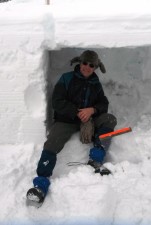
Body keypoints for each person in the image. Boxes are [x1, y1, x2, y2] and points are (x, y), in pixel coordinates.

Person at [26, 50, 117, 203]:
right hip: (66, 120)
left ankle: (96, 160)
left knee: (109, 120)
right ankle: (40, 184)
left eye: (91, 65)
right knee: (52, 141)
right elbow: (57, 101)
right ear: (79, 63)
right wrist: (76, 112)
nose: (87, 67)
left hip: (89, 119)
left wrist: (92, 110)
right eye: (84, 63)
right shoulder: (66, 78)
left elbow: (103, 104)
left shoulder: (96, 83)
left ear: (95, 67)